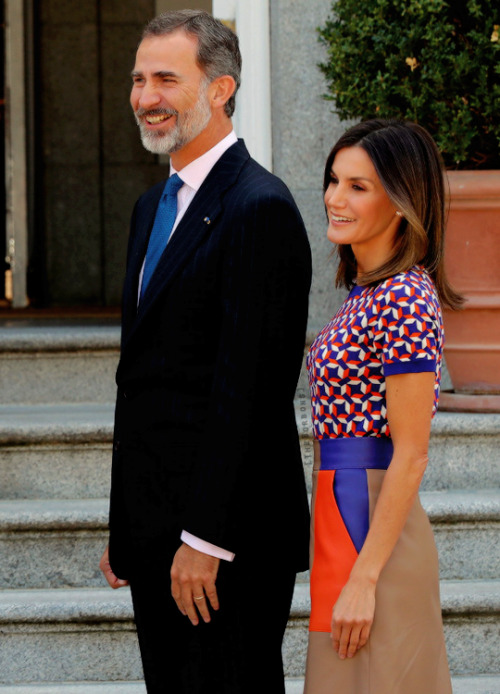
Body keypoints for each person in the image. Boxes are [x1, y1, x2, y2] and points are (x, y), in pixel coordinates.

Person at [98, 10, 312, 694]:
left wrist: (206, 540)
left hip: (226, 540)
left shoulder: (260, 207)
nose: (145, 96)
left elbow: (249, 387)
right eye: (138, 79)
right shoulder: (151, 206)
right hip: (157, 526)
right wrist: (127, 523)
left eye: (166, 77)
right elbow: (144, 382)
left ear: (220, 89)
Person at [304, 119, 462, 693]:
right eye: (334, 180)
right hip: (341, 514)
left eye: (358, 186)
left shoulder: (404, 297)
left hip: (370, 525)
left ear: (401, 203)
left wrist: (365, 578)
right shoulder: (366, 293)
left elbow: (413, 452)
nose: (334, 198)